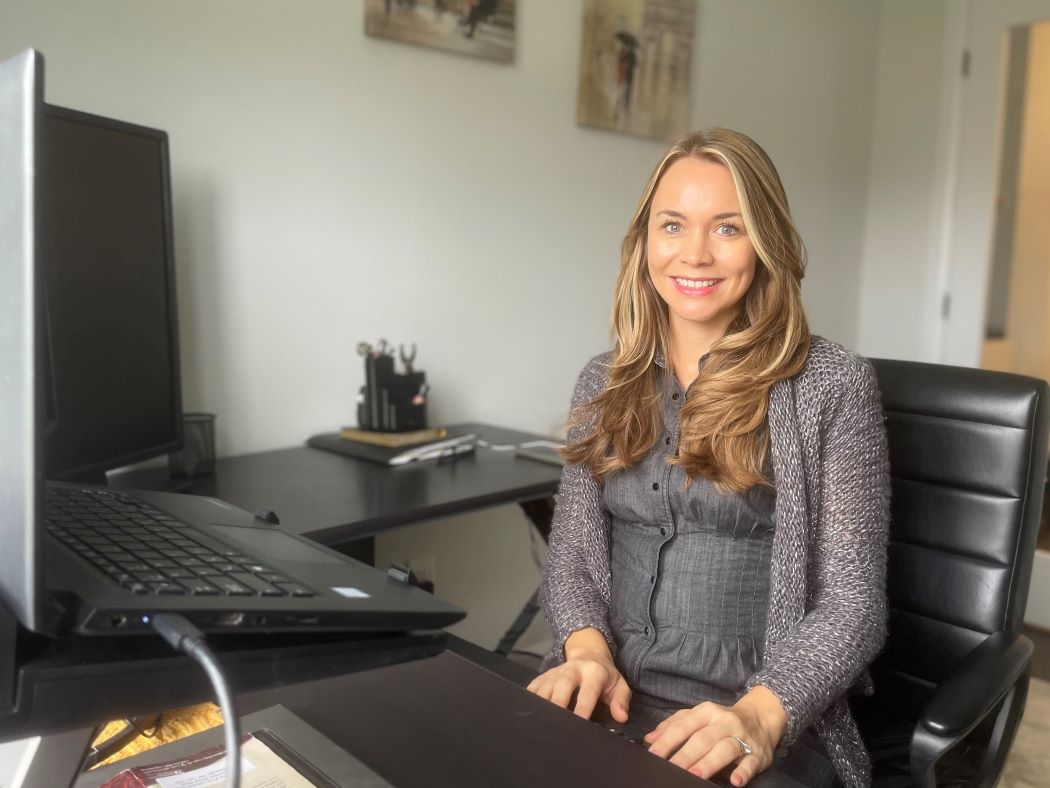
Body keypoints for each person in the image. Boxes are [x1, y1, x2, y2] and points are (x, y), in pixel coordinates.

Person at [527, 128, 890, 788]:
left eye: (728, 228)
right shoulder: (603, 380)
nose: (695, 253)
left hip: (755, 720)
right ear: (644, 241)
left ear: (766, 242)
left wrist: (759, 715)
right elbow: (574, 555)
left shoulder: (833, 386)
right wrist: (585, 649)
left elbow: (852, 606)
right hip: (613, 697)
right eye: (673, 224)